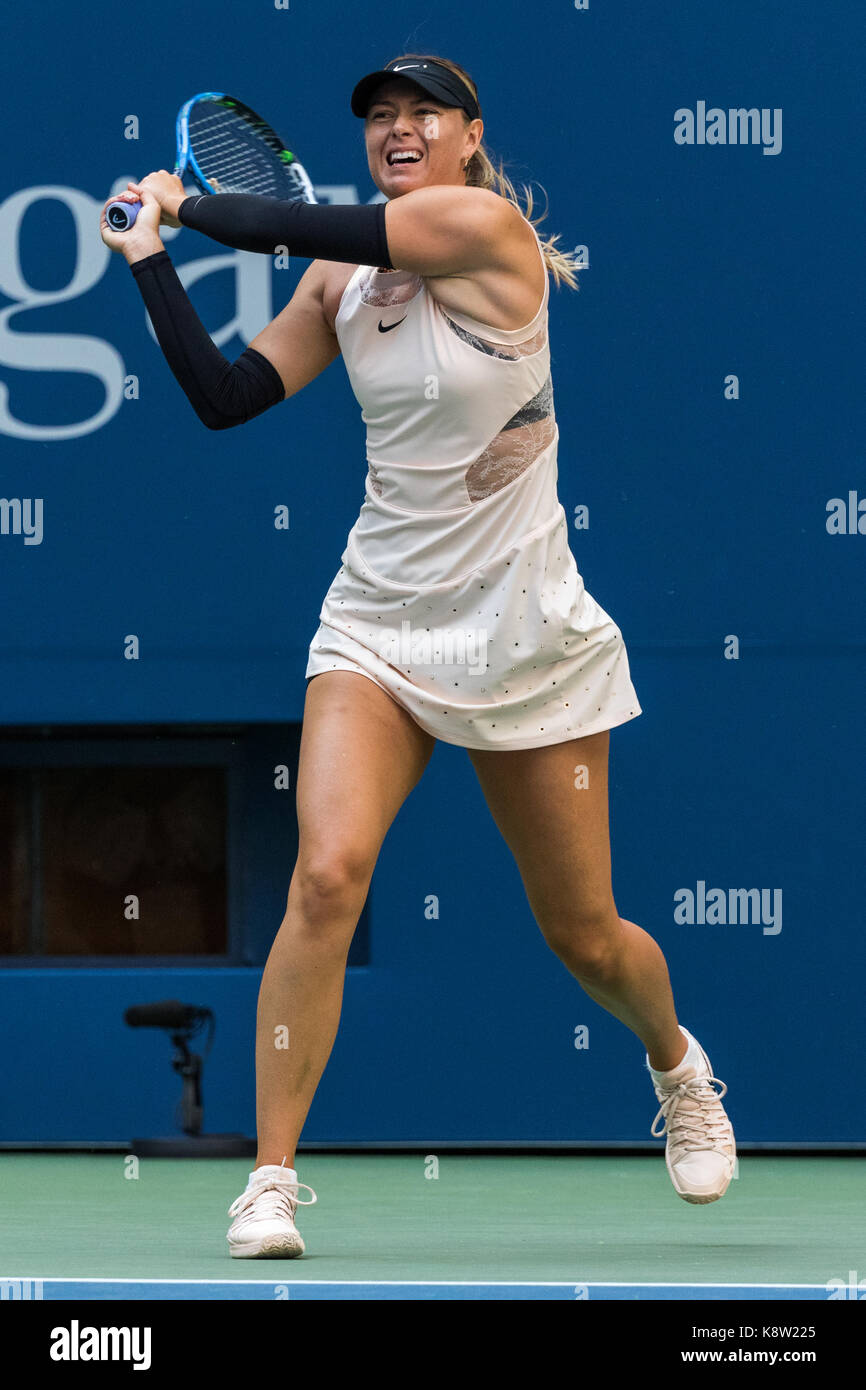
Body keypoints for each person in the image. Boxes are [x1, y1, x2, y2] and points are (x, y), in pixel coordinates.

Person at [101, 54, 736, 1261]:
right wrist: (148, 268)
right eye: (379, 118)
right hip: (377, 625)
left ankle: (676, 1067)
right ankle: (271, 1179)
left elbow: (269, 219)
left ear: (465, 138)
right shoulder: (344, 276)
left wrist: (184, 205)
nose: (397, 129)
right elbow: (229, 397)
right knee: (327, 877)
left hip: (526, 635)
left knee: (583, 933)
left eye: (419, 114)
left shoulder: (478, 226)